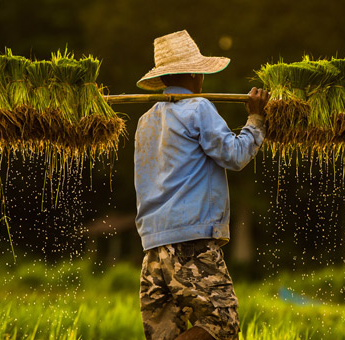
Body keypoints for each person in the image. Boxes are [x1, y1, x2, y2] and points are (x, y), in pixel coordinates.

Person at [134, 30, 269, 340]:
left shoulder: (146, 120)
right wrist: (256, 120)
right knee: (222, 325)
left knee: (164, 334)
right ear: (196, 73)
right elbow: (234, 155)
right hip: (190, 243)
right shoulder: (199, 108)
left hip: (153, 250)